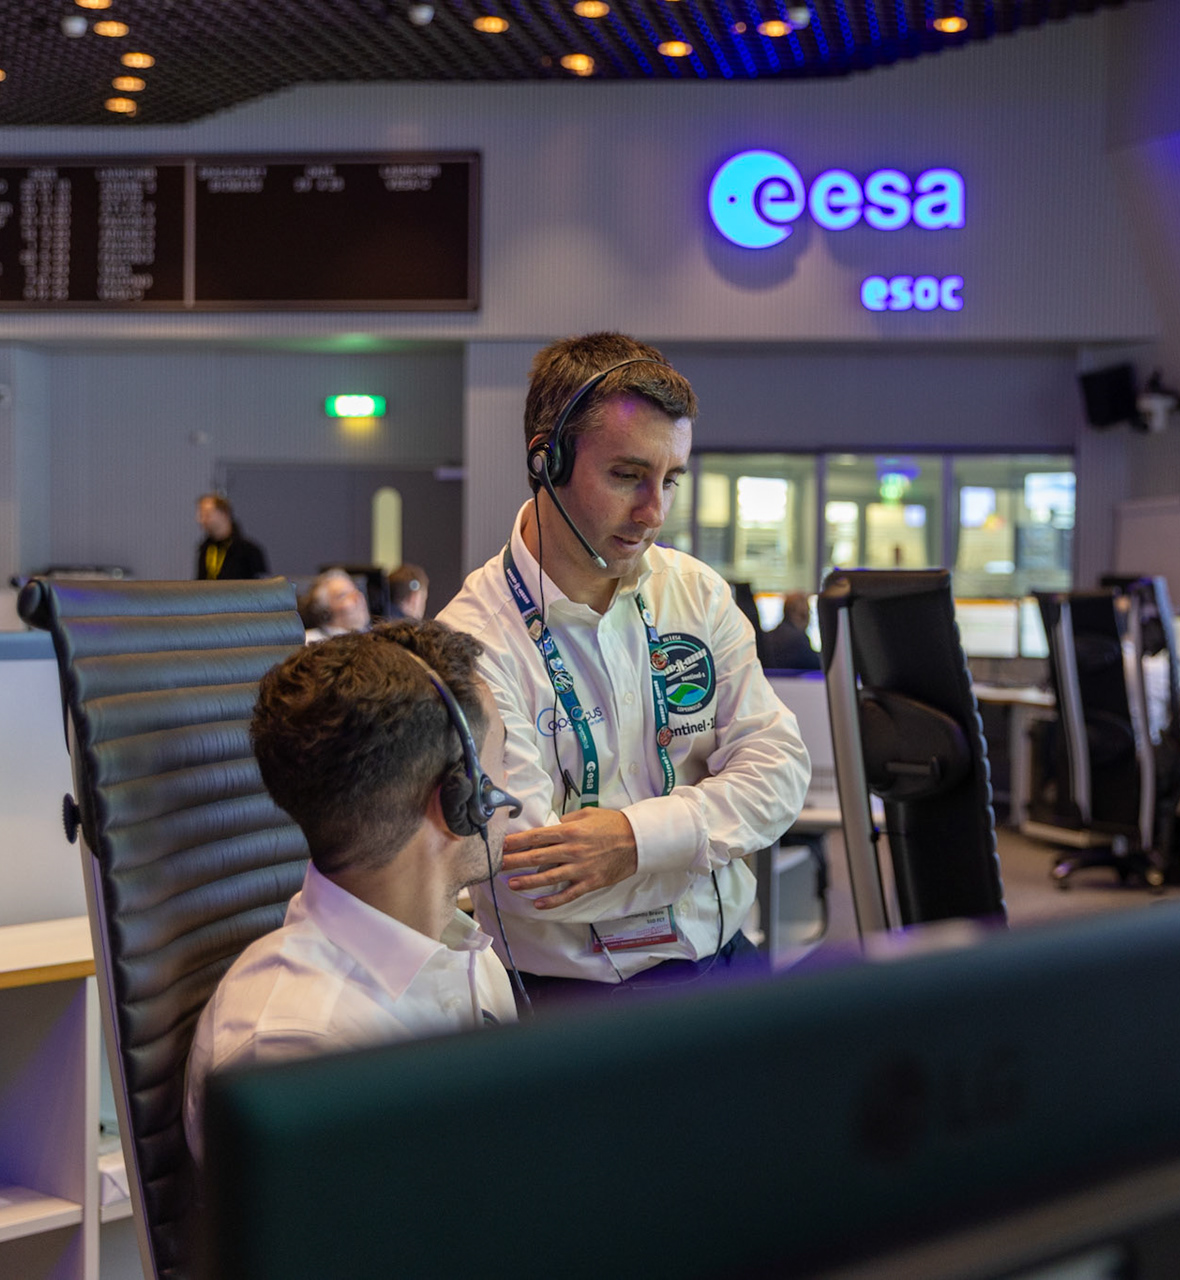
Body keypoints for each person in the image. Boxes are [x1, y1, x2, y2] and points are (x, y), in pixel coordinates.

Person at [438, 332, 810, 1003]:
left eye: (670, 480)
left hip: (727, 961)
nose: (655, 513)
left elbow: (781, 775)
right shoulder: (470, 642)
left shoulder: (695, 593)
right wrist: (713, 836)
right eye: (626, 476)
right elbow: (533, 876)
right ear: (547, 461)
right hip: (574, 999)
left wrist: (635, 840)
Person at [182, 620, 520, 1161]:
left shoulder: (468, 958)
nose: (512, 792)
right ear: (461, 802)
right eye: (503, 762)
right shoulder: (297, 1048)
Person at [194, 493, 268, 581]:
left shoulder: (249, 551)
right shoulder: (205, 549)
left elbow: (260, 588)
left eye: (207, 514)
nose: (200, 519)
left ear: (224, 514)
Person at [303, 567, 371, 643]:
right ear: (325, 611)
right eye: (343, 595)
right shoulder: (309, 642)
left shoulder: (377, 639)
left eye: (356, 591)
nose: (358, 597)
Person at [761, 591, 819, 671]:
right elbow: (817, 665)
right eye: (809, 613)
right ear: (800, 615)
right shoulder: (798, 639)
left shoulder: (768, 636)